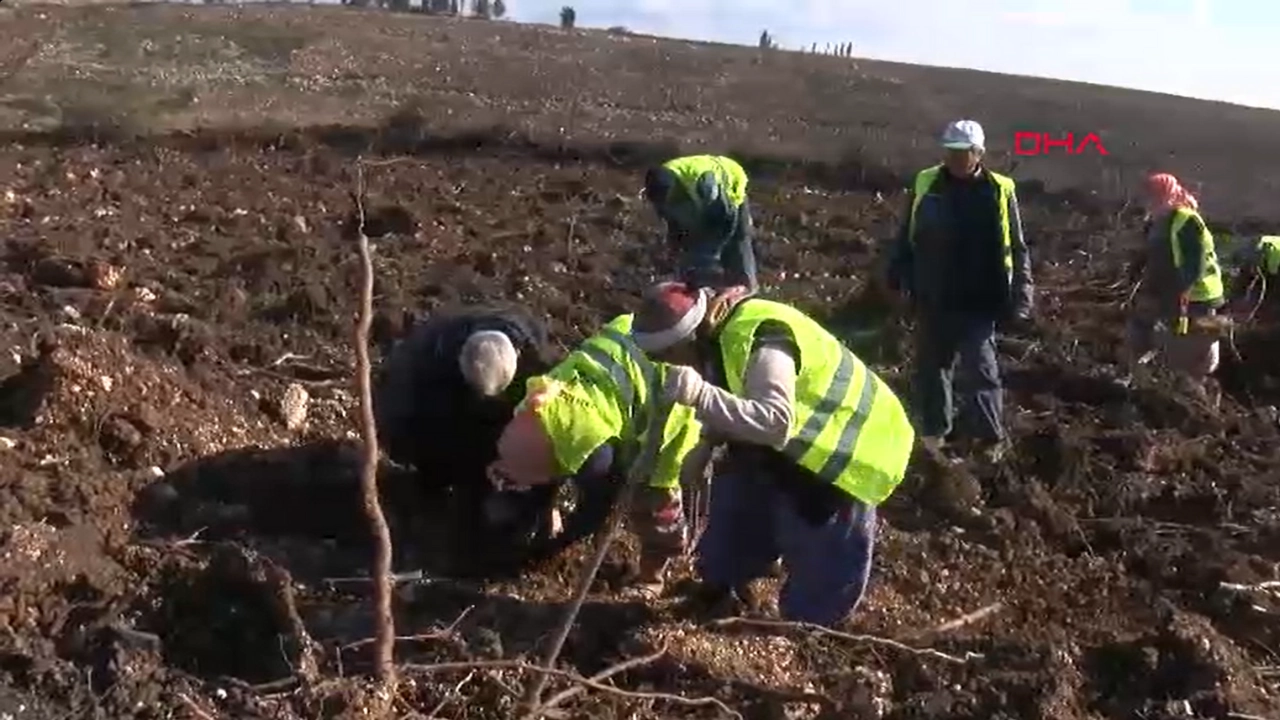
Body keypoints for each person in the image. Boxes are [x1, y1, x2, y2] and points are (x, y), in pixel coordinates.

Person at [628, 282, 915, 627]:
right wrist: (706, 443)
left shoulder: (763, 339)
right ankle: (722, 589)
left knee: (819, 543)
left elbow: (775, 422)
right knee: (737, 493)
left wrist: (702, 396)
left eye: (666, 355)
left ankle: (806, 629)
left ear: (688, 339)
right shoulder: (714, 340)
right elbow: (736, 390)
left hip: (851, 445)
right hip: (790, 440)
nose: (666, 364)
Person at [486, 313, 708, 596]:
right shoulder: (533, 401)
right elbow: (536, 461)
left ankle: (652, 578)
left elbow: (597, 510)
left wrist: (559, 544)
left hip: (671, 404)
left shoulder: (594, 454)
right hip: (632, 335)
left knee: (654, 502)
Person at [886, 119, 1033, 462]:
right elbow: (906, 233)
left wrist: (1022, 297)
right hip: (934, 295)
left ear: (978, 153)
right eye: (950, 152)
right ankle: (936, 436)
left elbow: (1018, 247)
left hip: (980, 299)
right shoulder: (927, 183)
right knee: (932, 369)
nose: (954, 159)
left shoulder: (999, 190)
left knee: (981, 371)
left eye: (962, 153)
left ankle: (988, 441)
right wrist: (896, 275)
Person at [373, 304, 559, 573]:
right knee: (436, 455)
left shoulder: (528, 339)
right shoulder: (425, 367)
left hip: (493, 414)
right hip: (417, 421)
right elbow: (412, 426)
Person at [1124, 173, 1225, 397]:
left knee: (1186, 354)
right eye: (1147, 199)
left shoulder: (1187, 221)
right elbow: (1148, 254)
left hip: (1194, 297)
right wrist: (1134, 276)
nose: (1149, 203)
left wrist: (1178, 295)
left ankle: (1198, 395)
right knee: (1138, 334)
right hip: (1161, 292)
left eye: (1154, 198)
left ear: (1168, 196)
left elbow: (1193, 265)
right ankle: (1144, 385)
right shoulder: (1154, 223)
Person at [644, 155, 759, 292]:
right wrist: (675, 247)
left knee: (738, 240)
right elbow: (672, 223)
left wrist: (711, 256)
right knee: (695, 249)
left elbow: (726, 222)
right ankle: (698, 286)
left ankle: (745, 287)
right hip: (696, 198)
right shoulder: (658, 183)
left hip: (729, 187)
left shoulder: (705, 184)